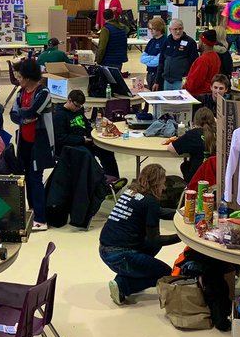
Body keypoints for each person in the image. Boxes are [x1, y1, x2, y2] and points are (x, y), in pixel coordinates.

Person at [99, 164, 179, 305]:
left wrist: (181, 213)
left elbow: (158, 212)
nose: (164, 187)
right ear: (157, 183)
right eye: (163, 182)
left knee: (153, 246)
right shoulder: (150, 202)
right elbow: (155, 239)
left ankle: (126, 276)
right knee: (166, 274)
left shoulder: (131, 192)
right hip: (121, 255)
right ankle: (124, 285)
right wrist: (181, 237)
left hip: (105, 249)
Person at [8, 59, 54, 230]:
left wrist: (23, 114)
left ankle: (41, 219)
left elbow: (34, 111)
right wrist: (23, 118)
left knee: (35, 178)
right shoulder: (21, 93)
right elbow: (13, 114)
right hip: (24, 141)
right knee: (26, 176)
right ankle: (33, 209)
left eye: (20, 77)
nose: (18, 80)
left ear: (28, 77)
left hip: (39, 142)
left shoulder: (44, 92)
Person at [53, 90, 121, 182]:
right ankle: (101, 180)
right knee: (87, 155)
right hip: (70, 145)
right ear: (69, 100)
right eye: (76, 105)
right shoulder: (59, 115)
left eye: (80, 106)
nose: (78, 108)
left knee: (106, 150)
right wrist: (81, 139)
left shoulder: (79, 110)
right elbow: (61, 138)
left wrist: (93, 135)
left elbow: (86, 125)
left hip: (84, 140)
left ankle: (114, 179)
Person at [165, 106, 215, 183]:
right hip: (215, 177)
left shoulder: (193, 134)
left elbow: (171, 148)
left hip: (196, 178)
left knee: (185, 166)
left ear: (195, 121)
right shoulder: (219, 134)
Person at [160, 19, 199, 91]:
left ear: (183, 28)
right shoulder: (166, 41)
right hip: (167, 81)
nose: (178, 31)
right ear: (170, 30)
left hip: (181, 81)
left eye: (180, 29)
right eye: (175, 29)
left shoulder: (190, 42)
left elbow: (194, 63)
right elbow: (161, 61)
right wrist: (157, 81)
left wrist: (189, 80)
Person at [183, 30, 222, 97]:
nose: (198, 43)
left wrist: (185, 86)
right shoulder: (216, 56)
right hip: (209, 93)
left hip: (199, 95)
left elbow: (194, 83)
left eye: (199, 40)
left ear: (204, 43)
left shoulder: (203, 60)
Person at [142, 17, 166, 90]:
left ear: (159, 28)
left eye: (153, 29)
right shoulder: (151, 41)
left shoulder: (164, 41)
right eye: (150, 29)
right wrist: (153, 57)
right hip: (149, 73)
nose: (151, 31)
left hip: (158, 74)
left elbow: (157, 62)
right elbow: (142, 59)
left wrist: (149, 59)